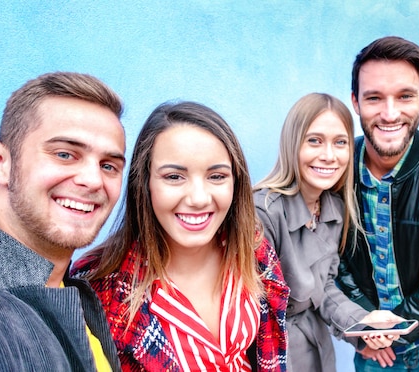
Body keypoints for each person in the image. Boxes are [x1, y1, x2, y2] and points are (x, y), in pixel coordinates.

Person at [71, 101, 289, 372]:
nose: (198, 198)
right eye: (174, 177)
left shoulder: (254, 251)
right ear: (145, 182)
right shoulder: (99, 287)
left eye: (217, 176)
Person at [0, 72, 125, 371]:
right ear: (1, 163)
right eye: (65, 154)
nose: (93, 180)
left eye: (108, 166)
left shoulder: (83, 303)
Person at [335, 36, 419, 371]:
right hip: (373, 350)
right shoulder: (335, 168)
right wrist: (365, 326)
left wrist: (386, 331)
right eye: (374, 98)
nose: (390, 113)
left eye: (405, 96)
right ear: (355, 101)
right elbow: (332, 260)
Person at [253, 93, 404, 371]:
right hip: (273, 354)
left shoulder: (333, 209)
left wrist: (364, 325)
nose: (329, 156)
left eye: (340, 142)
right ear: (292, 144)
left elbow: (323, 288)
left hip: (317, 352)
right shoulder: (263, 213)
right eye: (314, 140)